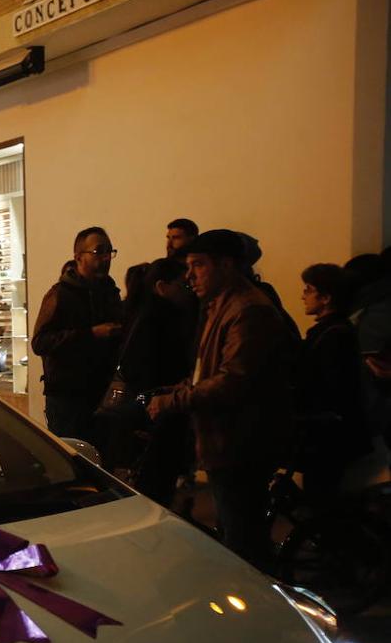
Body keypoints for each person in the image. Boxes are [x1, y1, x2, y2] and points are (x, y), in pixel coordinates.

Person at [147, 230, 296, 568]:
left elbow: (233, 381)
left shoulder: (247, 310)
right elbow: (208, 371)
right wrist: (176, 390)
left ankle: (259, 609)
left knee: (243, 542)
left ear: (226, 265)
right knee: (237, 530)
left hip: (241, 440)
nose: (190, 275)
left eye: (198, 265)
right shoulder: (220, 306)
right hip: (222, 439)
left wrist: (173, 402)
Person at [112, 258, 198, 504]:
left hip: (151, 406)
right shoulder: (163, 318)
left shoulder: (143, 313)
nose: (189, 287)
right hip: (157, 408)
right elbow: (150, 368)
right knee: (156, 483)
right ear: (162, 286)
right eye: (182, 284)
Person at [30, 226, 124, 441]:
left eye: (109, 251)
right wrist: (91, 334)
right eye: (98, 251)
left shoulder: (110, 292)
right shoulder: (60, 294)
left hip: (103, 392)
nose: (106, 257)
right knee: (73, 461)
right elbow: (40, 342)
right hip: (67, 397)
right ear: (78, 257)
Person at [295, 263, 371, 499]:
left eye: (308, 290)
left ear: (326, 297)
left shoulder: (333, 336)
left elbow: (330, 387)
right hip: (332, 431)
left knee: (321, 497)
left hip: (328, 435)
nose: (303, 296)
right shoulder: (335, 331)